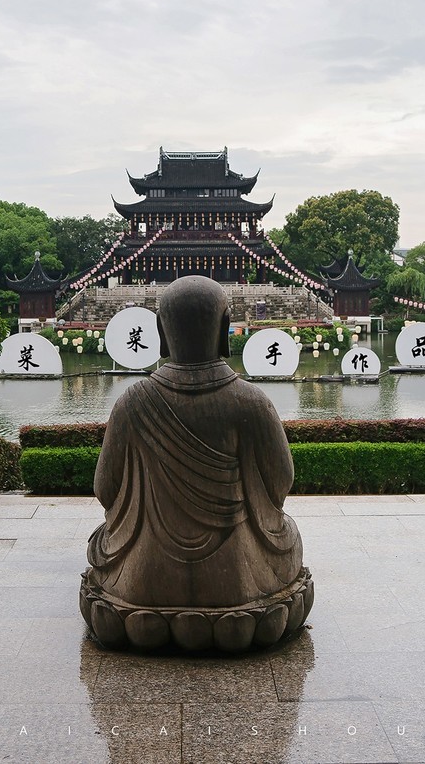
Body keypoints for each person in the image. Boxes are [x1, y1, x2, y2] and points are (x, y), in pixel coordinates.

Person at [80, 276, 312, 651]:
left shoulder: (132, 402)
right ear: (224, 329)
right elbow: (281, 485)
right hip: (240, 582)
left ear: (161, 331)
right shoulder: (251, 401)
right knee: (289, 536)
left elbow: (104, 490)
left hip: (142, 586)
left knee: (99, 546)